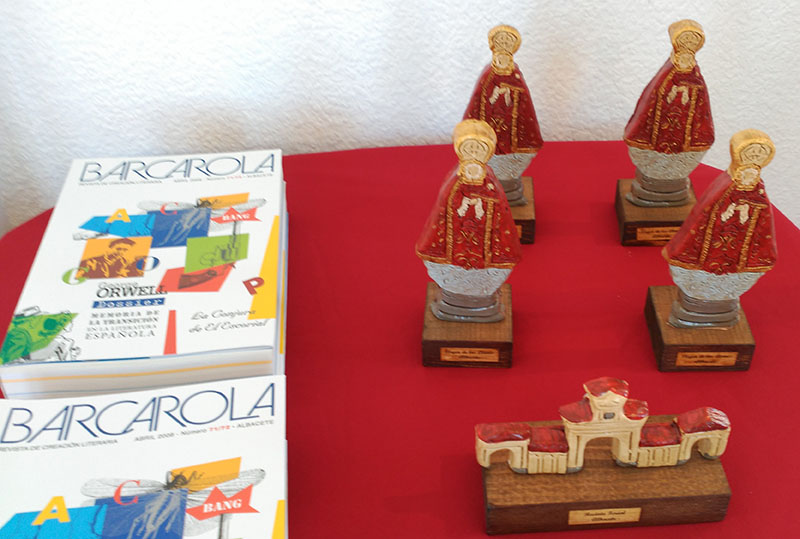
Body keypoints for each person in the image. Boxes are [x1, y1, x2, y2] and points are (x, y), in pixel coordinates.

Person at [662, 129, 777, 327]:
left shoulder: (758, 188)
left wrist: (747, 208)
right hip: (717, 235)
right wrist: (731, 209)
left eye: (760, 154)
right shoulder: (726, 185)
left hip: (742, 239)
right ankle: (698, 299)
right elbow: (710, 209)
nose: (755, 157)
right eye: (751, 152)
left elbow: (762, 213)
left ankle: (718, 303)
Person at [416, 119, 521, 322]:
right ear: (460, 150)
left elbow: (498, 203)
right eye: (469, 149)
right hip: (456, 237)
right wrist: (463, 204)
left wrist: (481, 203)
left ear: (487, 153)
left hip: (485, 238)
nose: (473, 154)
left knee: (491, 265)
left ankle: (480, 297)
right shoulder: (455, 179)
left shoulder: (489, 180)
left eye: (478, 149)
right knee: (449, 264)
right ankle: (455, 297)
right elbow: (446, 202)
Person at [623, 19, 714, 207]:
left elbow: (701, 101)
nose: (688, 45)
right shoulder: (666, 74)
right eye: (685, 39)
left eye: (693, 41)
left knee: (684, 150)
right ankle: (652, 181)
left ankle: (672, 183)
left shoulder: (696, 76)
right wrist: (674, 91)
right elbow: (654, 96)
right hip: (662, 122)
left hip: (686, 124)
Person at [463, 25, 543, 206]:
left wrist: (509, 94)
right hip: (490, 124)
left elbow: (523, 100)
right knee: (488, 152)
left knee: (512, 157)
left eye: (508, 42)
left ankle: (509, 185)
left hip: (511, 126)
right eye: (501, 41)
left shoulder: (515, 75)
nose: (504, 46)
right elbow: (479, 99)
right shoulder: (487, 75)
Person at [79, 237, 143, 278]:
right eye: (118, 249)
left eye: (125, 250)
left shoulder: (126, 262)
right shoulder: (91, 262)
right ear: (109, 248)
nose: (121, 252)